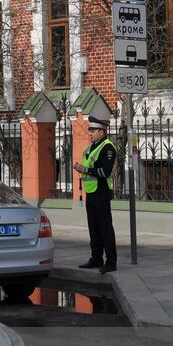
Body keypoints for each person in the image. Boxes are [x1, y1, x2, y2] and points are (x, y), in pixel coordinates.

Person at [73, 116, 118, 274]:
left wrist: (84, 169)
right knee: (94, 228)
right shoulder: (90, 147)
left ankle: (111, 262)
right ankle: (96, 258)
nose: (90, 133)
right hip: (90, 192)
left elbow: (105, 171)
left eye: (93, 131)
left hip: (101, 191)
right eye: (89, 130)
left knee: (105, 227)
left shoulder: (108, 147)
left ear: (101, 131)